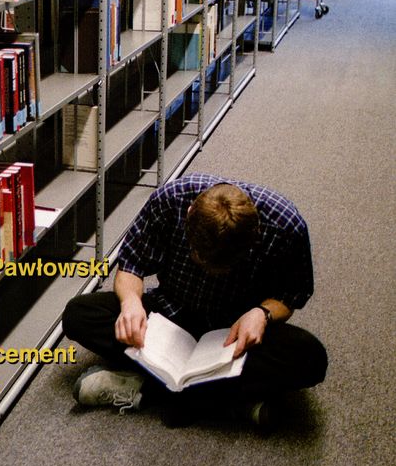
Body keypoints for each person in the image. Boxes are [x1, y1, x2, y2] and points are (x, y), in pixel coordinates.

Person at [62, 174, 328, 429]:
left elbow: (292, 295)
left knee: (310, 358)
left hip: (234, 332)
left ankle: (151, 389)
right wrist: (130, 303)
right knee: (79, 314)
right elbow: (131, 266)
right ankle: (228, 403)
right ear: (189, 213)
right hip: (172, 313)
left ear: (256, 234)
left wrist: (262, 313)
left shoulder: (286, 226)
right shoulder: (171, 200)